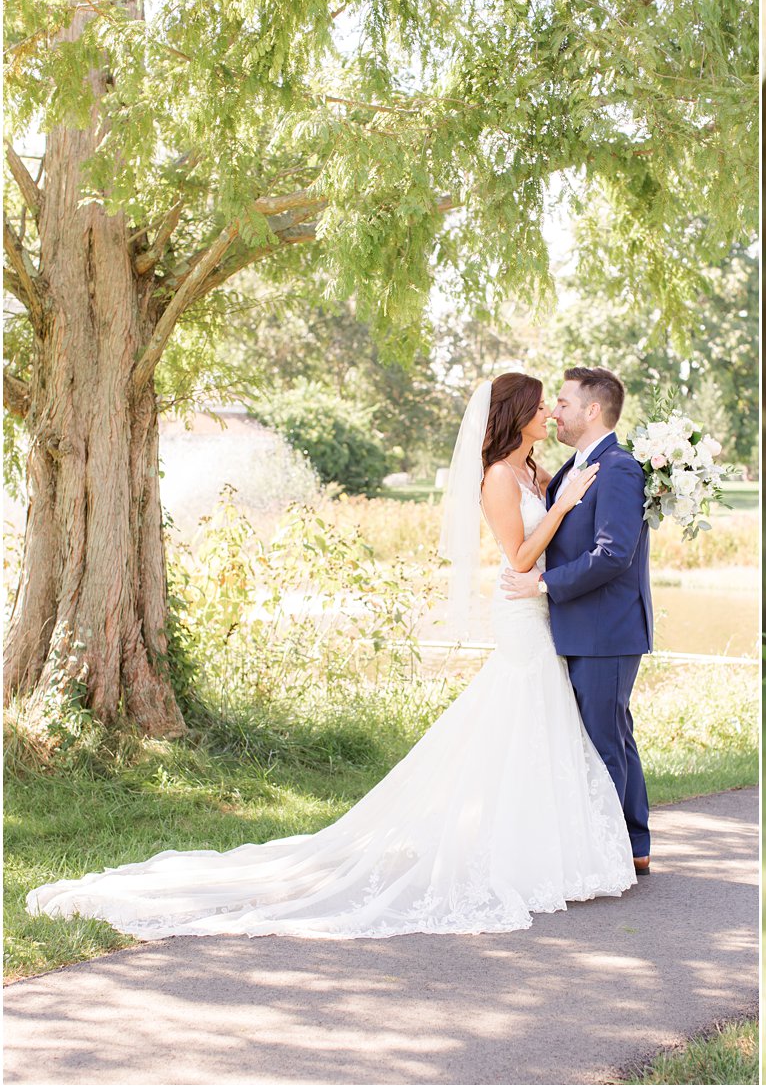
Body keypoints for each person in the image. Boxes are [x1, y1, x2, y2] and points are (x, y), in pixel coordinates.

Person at [26, 372, 636, 939]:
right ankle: (514, 849)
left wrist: (562, 501)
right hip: (521, 612)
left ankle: (532, 842)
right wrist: (560, 508)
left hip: (543, 614)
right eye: (538, 407)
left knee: (533, 726)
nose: (547, 413)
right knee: (520, 717)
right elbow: (519, 557)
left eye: (552, 406)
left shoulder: (536, 471)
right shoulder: (502, 479)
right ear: (514, 415)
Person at [499, 366, 655, 874]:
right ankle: (632, 844)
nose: (554, 411)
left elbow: (613, 554)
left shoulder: (618, 468)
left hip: (606, 629)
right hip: (577, 625)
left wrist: (543, 585)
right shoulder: (569, 469)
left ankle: (611, 854)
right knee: (611, 734)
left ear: (592, 410)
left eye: (562, 403)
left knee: (602, 741)